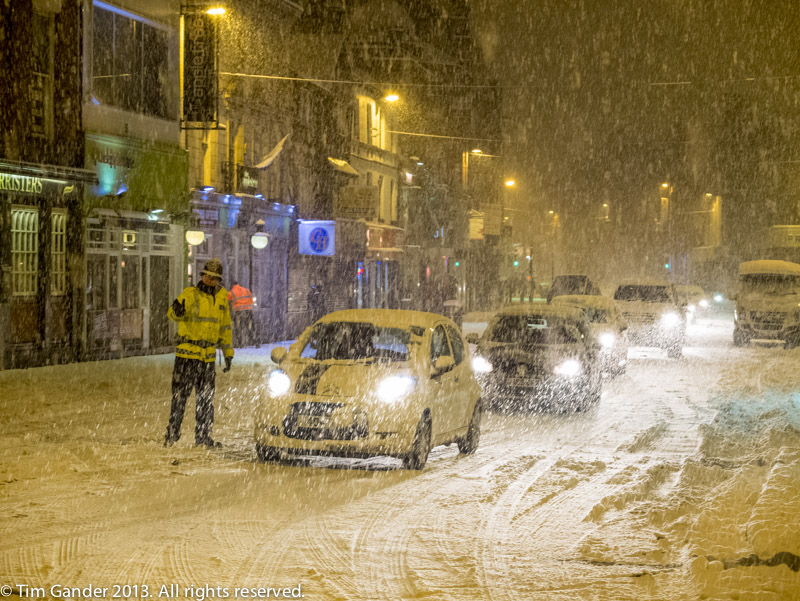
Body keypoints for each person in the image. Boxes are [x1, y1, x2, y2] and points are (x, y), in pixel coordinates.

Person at [164, 258, 233, 448]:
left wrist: (228, 353)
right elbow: (172, 313)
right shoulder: (190, 294)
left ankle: (203, 438)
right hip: (187, 355)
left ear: (219, 280)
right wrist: (177, 311)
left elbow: (225, 328)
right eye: (208, 276)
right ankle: (172, 434)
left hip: (208, 357)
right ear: (202, 276)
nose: (211, 280)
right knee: (179, 398)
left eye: (215, 278)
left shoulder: (221, 299)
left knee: (206, 400)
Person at [227, 280, 255, 347]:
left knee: (238, 327)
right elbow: (251, 300)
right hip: (248, 311)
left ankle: (239, 343)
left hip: (239, 312)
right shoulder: (246, 290)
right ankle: (255, 341)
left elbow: (226, 299)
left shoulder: (232, 292)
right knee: (250, 326)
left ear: (232, 286)